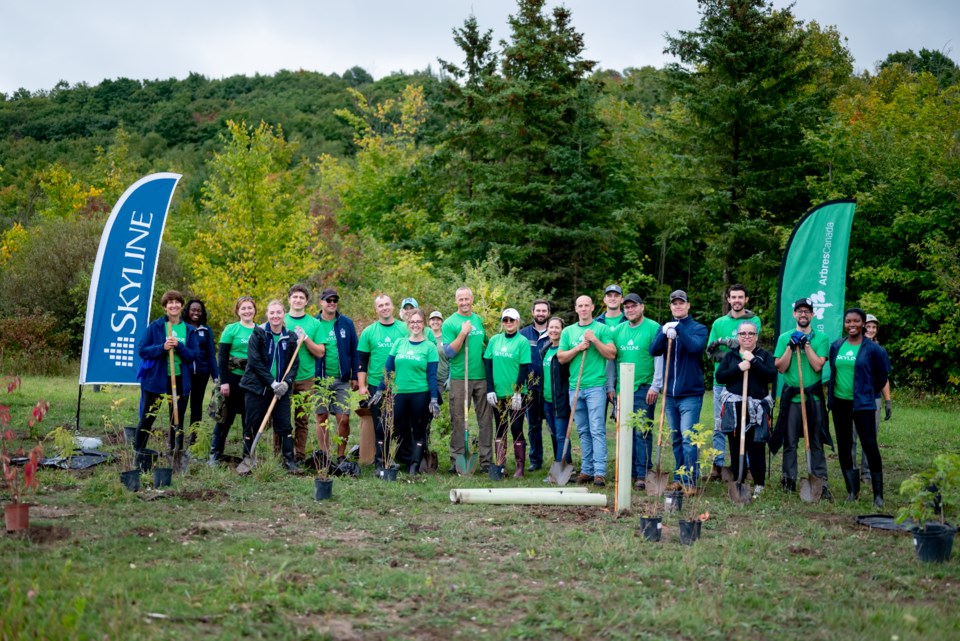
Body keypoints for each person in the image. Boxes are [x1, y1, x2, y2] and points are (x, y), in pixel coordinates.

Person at [828, 308, 891, 508]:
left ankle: (878, 495)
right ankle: (852, 491)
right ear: (844, 323)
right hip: (840, 403)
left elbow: (882, 376)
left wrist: (867, 390)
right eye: (848, 321)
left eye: (856, 321)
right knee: (845, 446)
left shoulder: (874, 349)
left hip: (863, 403)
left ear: (863, 323)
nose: (852, 324)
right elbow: (833, 370)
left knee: (869, 445)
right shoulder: (837, 345)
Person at [773, 297, 832, 498]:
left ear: (813, 314)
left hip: (812, 398)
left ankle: (820, 482)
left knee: (815, 441)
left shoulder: (821, 338)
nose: (803, 314)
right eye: (800, 311)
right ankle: (789, 480)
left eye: (807, 311)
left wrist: (806, 345)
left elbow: (818, 366)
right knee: (789, 441)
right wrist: (790, 346)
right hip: (792, 399)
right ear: (794, 314)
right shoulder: (784, 338)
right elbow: (780, 368)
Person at [649, 290, 708, 491]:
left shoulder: (698, 328)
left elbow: (694, 348)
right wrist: (664, 333)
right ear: (670, 307)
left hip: (690, 393)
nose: (678, 306)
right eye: (674, 304)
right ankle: (679, 475)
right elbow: (653, 350)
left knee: (689, 438)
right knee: (676, 438)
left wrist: (680, 330)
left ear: (688, 305)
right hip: (670, 394)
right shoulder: (665, 328)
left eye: (681, 303)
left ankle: (690, 479)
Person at [606, 293, 663, 490]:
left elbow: (659, 358)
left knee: (642, 432)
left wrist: (656, 385)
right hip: (623, 389)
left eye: (634, 306)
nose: (630, 310)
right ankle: (628, 471)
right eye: (627, 307)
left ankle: (643, 472)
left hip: (644, 388)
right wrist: (610, 386)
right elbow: (612, 361)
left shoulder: (653, 328)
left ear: (642, 307)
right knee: (625, 431)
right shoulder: (619, 330)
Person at [558, 295, 616, 486]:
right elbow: (561, 357)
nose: (583, 309)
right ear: (576, 308)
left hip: (595, 388)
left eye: (586, 305)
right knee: (583, 430)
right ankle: (587, 470)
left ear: (592, 308)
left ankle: (599, 472)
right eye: (580, 306)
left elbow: (611, 353)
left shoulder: (602, 329)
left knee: (597, 429)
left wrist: (594, 340)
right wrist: (579, 347)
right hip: (575, 388)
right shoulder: (568, 331)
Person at [375, 308, 440, 474]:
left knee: (418, 431)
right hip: (399, 394)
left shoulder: (430, 347)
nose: (415, 325)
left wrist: (433, 398)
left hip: (420, 393)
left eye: (418, 322)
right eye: (412, 322)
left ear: (424, 324)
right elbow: (388, 369)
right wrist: (379, 390)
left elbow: (432, 375)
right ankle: (382, 463)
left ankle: (414, 466)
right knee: (383, 427)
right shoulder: (399, 343)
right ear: (407, 324)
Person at [716, 321, 776, 498]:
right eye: (743, 334)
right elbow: (720, 377)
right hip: (735, 408)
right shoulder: (731, 356)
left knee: (756, 445)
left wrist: (753, 362)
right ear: (738, 336)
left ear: (756, 336)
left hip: (756, 409)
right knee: (736, 445)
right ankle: (738, 480)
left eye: (751, 333)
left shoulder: (764, 355)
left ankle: (759, 483)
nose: (747, 336)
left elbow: (771, 375)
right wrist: (739, 367)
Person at [706, 284, 761, 480]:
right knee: (720, 424)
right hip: (721, 382)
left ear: (746, 299)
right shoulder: (719, 322)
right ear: (728, 300)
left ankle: (742, 466)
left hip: (744, 381)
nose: (737, 300)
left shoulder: (754, 320)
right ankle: (717, 465)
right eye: (733, 297)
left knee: (743, 423)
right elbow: (711, 350)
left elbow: (749, 345)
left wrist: (730, 346)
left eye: (740, 297)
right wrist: (728, 356)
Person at [133, 290, 199, 453]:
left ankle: (175, 449)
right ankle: (139, 451)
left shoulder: (189, 330)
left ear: (182, 306)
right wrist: (162, 347)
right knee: (149, 416)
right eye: (170, 302)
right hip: (156, 379)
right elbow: (142, 350)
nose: (174, 305)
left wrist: (179, 346)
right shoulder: (155, 326)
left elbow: (193, 354)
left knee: (176, 417)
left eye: (177, 302)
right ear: (165, 307)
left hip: (179, 379)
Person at [239, 299, 301, 472]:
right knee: (251, 424)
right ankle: (247, 459)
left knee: (285, 425)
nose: (275, 316)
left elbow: (294, 364)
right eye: (272, 313)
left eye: (278, 312)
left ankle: (289, 461)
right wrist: (272, 383)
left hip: (281, 390)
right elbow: (254, 362)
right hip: (257, 388)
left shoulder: (291, 337)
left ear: (284, 314)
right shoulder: (258, 334)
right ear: (267, 314)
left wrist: (286, 383)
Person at [442, 287, 494, 473]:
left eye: (467, 299)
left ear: (472, 300)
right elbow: (449, 352)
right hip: (459, 378)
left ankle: (486, 462)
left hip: (481, 377)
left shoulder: (478, 319)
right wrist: (463, 333)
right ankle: (457, 461)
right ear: (456, 301)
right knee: (459, 420)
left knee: (485, 421)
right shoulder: (449, 323)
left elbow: (486, 344)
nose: (464, 302)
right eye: (460, 299)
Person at [358, 294, 409, 470]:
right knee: (380, 424)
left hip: (402, 384)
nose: (384, 308)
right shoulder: (369, 332)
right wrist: (363, 385)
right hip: (375, 384)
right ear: (376, 309)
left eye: (387, 304)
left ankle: (402, 457)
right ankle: (382, 461)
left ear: (393, 306)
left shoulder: (404, 329)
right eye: (381, 306)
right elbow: (362, 361)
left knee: (400, 423)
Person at [484, 308, 533, 477]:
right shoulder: (495, 340)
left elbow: (524, 368)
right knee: (500, 427)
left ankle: (520, 467)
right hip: (498, 394)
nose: (509, 323)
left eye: (512, 320)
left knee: (517, 428)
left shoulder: (522, 342)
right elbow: (488, 365)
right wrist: (489, 389)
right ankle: (500, 464)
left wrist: (518, 392)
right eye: (505, 320)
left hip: (516, 394)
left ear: (517, 322)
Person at [279, 284, 325, 462]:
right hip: (283, 377)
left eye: (301, 298)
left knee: (302, 419)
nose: (297, 300)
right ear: (289, 299)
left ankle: (299, 455)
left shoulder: (314, 324)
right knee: (281, 418)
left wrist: (305, 338)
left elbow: (320, 352)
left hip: (306, 378)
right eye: (294, 297)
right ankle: (280, 453)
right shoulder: (281, 320)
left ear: (306, 301)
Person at [315, 287, 360, 462]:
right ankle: (324, 455)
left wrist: (355, 375)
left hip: (341, 379)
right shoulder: (314, 323)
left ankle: (341, 456)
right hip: (320, 379)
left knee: (344, 418)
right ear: (321, 302)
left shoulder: (345, 323)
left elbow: (354, 351)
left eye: (335, 300)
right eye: (329, 300)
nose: (332, 303)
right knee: (321, 416)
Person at [210, 296, 256, 463]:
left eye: (250, 308)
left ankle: (247, 456)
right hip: (232, 379)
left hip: (251, 382)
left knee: (248, 419)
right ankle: (215, 455)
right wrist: (224, 382)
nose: (247, 311)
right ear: (238, 311)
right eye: (243, 308)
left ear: (255, 310)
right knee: (225, 418)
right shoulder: (231, 329)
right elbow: (221, 357)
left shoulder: (260, 331)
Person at [855, 313, 893, 483]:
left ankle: (867, 473)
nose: (871, 330)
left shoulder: (879, 350)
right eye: (868, 326)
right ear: (862, 327)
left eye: (874, 327)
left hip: (873, 399)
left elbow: (883, 377)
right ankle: (851, 470)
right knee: (851, 437)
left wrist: (888, 400)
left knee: (869, 438)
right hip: (853, 398)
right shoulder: (852, 346)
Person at [519, 299, 553, 471]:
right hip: (530, 387)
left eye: (543, 311)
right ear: (532, 312)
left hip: (550, 388)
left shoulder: (555, 332)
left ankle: (560, 459)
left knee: (554, 425)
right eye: (537, 310)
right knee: (533, 425)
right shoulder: (524, 334)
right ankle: (535, 460)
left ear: (548, 313)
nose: (540, 313)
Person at [184, 299, 219, 443]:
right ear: (188, 311)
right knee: (181, 404)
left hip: (202, 373)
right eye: (193, 310)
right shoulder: (182, 328)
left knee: (196, 406)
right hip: (185, 372)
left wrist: (216, 376)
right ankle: (177, 438)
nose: (196, 313)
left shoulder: (206, 330)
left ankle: (194, 437)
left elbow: (211, 354)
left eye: (199, 310)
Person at [540, 317, 572, 466]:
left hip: (560, 399)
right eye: (550, 327)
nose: (553, 330)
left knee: (561, 435)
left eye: (556, 327)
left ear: (562, 330)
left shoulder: (565, 352)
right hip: (547, 400)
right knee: (554, 434)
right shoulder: (545, 349)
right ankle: (562, 463)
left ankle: (562, 465)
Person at [428, 310, 449, 393]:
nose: (435, 322)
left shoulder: (446, 338)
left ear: (441, 322)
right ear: (429, 322)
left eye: (438, 319)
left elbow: (452, 359)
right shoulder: (424, 337)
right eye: (433, 319)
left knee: (437, 404)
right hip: (426, 378)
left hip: (441, 379)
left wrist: (450, 377)